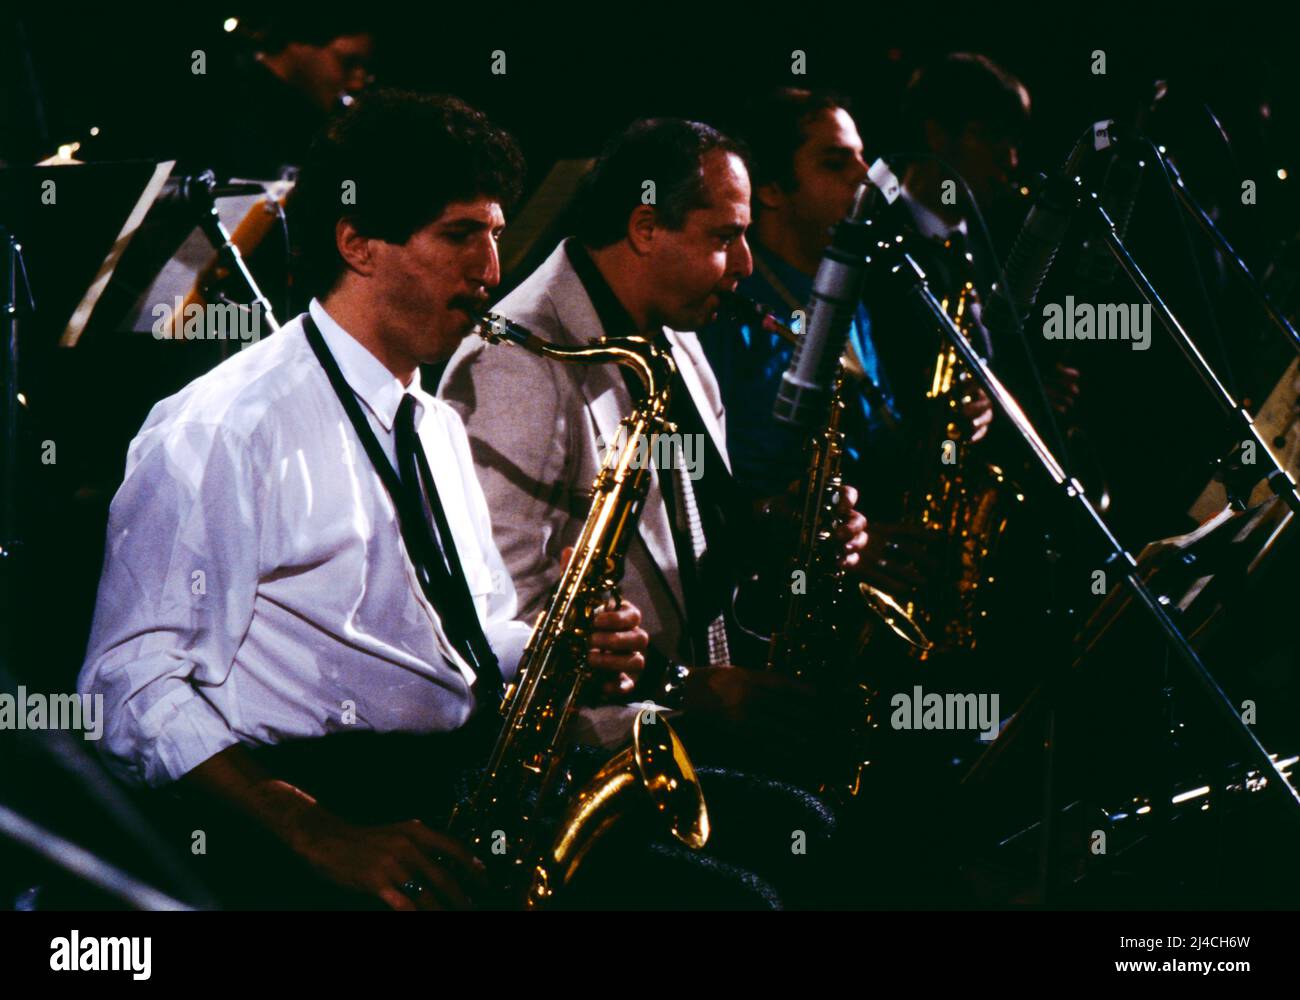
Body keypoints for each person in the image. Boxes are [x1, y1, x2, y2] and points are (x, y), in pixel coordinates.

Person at [77, 90, 649, 912]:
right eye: (460, 235)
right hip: (316, 818)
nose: (491, 271)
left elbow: (467, 635)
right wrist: (313, 829)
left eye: (494, 235)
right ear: (358, 242)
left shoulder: (437, 425)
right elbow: (128, 686)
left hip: (449, 787)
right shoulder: (223, 427)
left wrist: (556, 645)